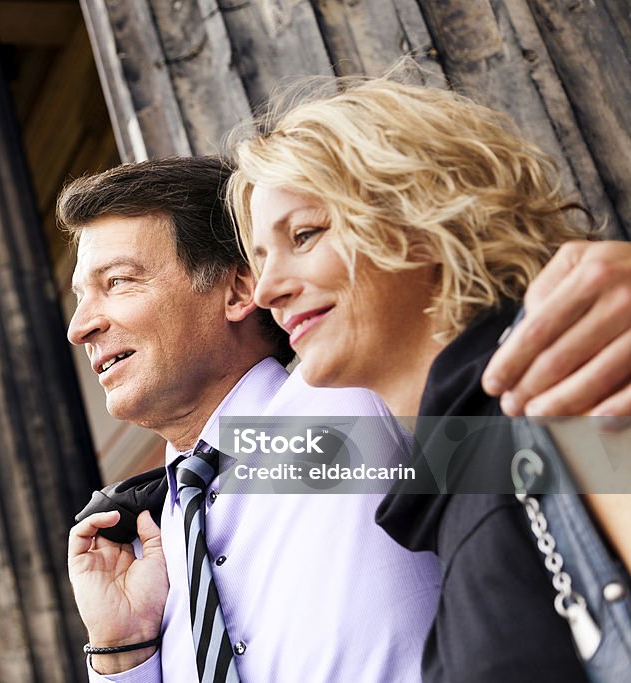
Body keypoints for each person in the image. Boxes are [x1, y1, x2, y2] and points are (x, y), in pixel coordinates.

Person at [62, 155, 631, 682]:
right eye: (81, 297)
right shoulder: (151, 540)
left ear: (239, 290)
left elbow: (583, 459)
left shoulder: (347, 403)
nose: (80, 326)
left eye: (117, 283)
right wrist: (126, 650)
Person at [230, 74, 631, 681]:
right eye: (261, 260)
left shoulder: (571, 382)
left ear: (420, 210)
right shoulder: (455, 482)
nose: (267, 290)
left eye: (305, 235)